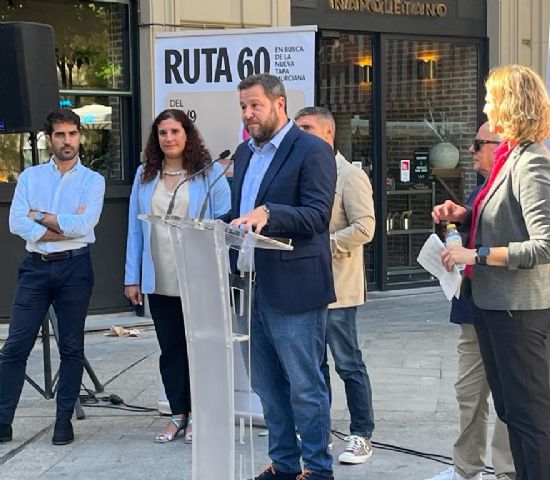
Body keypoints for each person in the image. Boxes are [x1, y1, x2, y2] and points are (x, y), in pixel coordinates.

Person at [434, 65, 550, 480]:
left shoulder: (533, 161)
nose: (486, 106)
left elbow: (547, 245)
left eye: (491, 99)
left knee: (529, 419)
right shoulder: (512, 156)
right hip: (493, 306)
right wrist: (467, 213)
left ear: (512, 103)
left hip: (519, 310)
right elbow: (508, 218)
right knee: (512, 412)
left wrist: (478, 255)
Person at [224, 74, 336, 480]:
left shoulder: (310, 150)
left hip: (294, 290)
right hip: (248, 288)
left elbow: (317, 215)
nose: (248, 114)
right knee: (268, 388)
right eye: (243, 107)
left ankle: (319, 470)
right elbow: (243, 214)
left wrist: (270, 214)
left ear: (280, 104)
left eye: (254, 105)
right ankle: (285, 464)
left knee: (305, 387)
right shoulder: (243, 153)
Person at [124, 108, 230, 444]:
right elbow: (134, 231)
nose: (169, 138)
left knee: (200, 348)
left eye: (175, 131)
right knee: (170, 349)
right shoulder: (144, 175)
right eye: (163, 133)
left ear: (188, 134)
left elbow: (225, 224)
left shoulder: (209, 173)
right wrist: (132, 278)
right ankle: (177, 414)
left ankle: (201, 414)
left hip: (199, 277)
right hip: (160, 277)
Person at [0, 108, 105, 445]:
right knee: (15, 346)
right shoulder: (31, 178)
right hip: (35, 267)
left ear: (79, 136)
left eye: (72, 134)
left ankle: (63, 422)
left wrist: (40, 217)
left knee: (71, 347)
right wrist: (59, 226)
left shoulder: (94, 181)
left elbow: (83, 226)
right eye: (60, 135)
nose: (67, 141)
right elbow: (17, 222)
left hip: (75, 268)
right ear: (49, 139)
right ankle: (3, 421)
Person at [425, 123, 515, 480]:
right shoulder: (481, 191)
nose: (472, 150)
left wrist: (469, 248)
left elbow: (515, 243)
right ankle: (466, 470)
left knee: (506, 397)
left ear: (500, 146)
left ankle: (506, 472)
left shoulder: (515, 187)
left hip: (506, 307)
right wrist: (457, 219)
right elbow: (471, 234)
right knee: (468, 394)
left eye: (479, 144)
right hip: (471, 307)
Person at [294, 106, 376, 465]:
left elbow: (365, 227)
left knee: (347, 362)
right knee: (313, 366)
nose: (300, 134)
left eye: (307, 128)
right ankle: (319, 432)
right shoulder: (298, 170)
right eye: (297, 129)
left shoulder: (349, 175)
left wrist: (322, 246)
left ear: (329, 133)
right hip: (303, 285)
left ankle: (361, 433)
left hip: (339, 286)